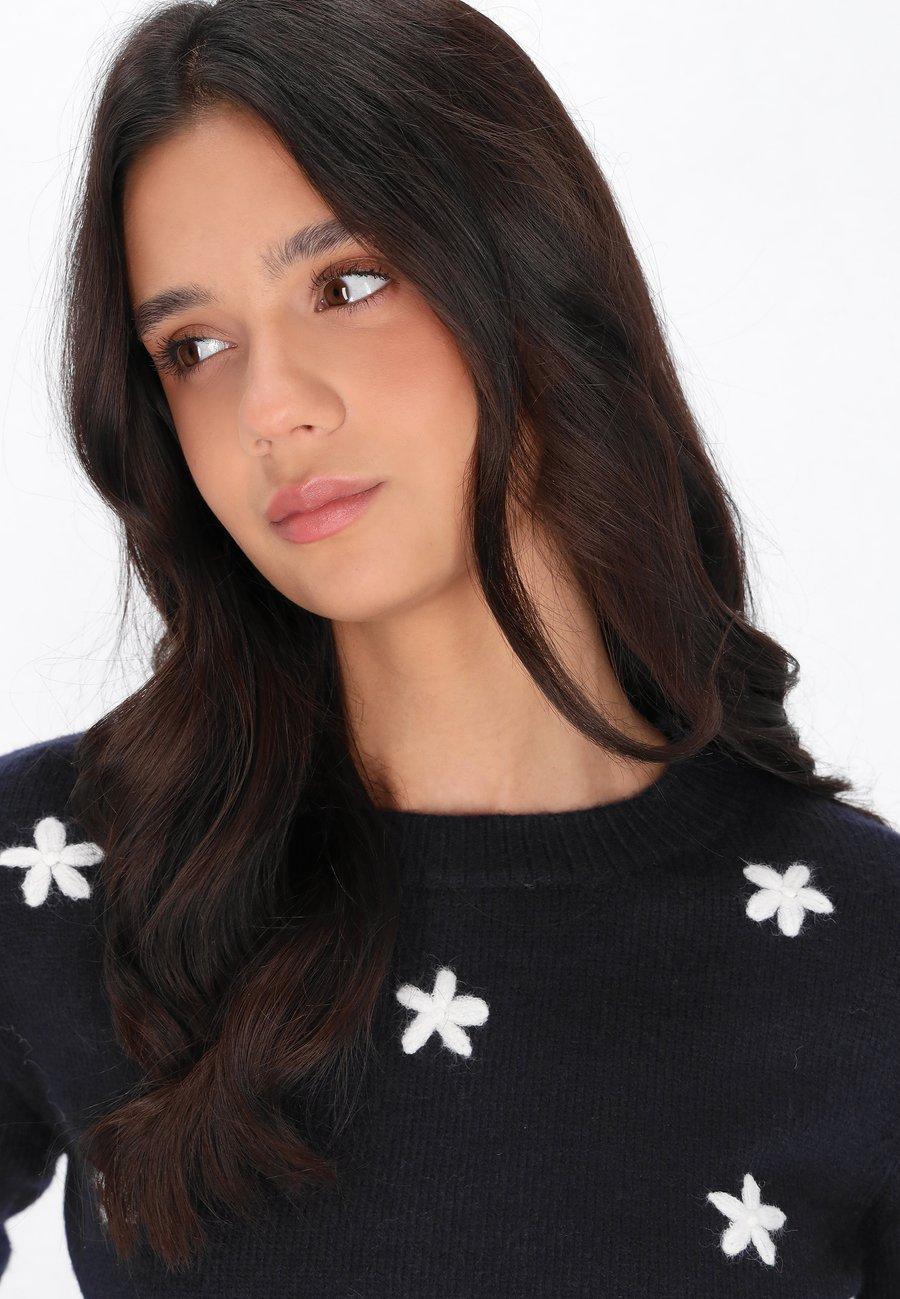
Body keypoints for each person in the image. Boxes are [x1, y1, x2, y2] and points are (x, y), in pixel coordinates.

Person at [1, 0, 897, 1294]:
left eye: (347, 284)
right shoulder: (65, 874)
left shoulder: (863, 954)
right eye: (194, 347)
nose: (271, 409)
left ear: (528, 274)